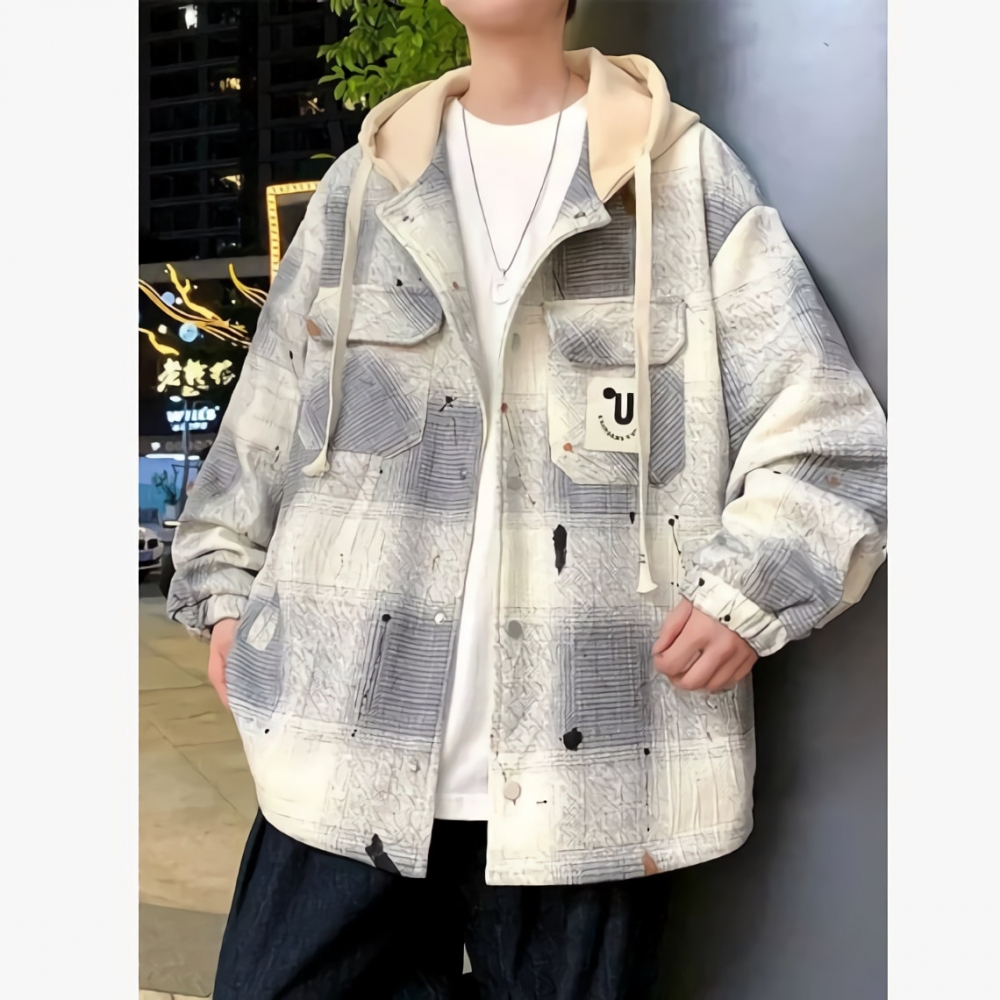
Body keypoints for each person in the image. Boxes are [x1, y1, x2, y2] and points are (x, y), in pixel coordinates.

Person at [167, 0, 887, 995]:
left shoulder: (682, 176)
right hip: (341, 745)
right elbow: (263, 429)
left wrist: (750, 590)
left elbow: (829, 437)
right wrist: (224, 589)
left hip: (596, 772)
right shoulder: (362, 185)